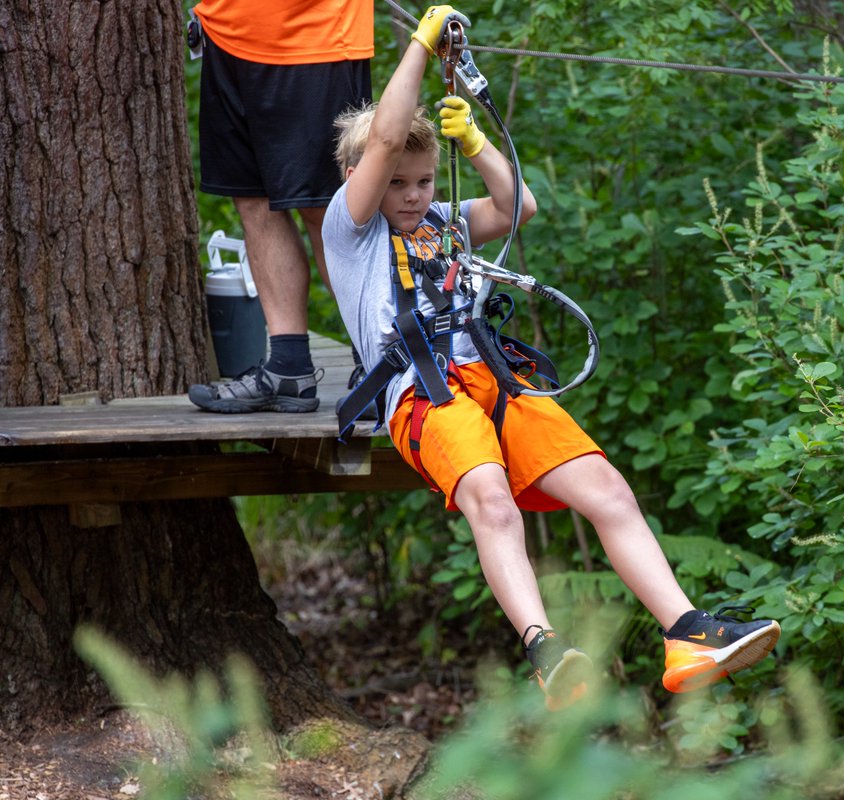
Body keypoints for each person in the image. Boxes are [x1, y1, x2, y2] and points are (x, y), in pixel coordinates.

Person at [322, 5, 781, 710]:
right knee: (493, 504)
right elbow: (386, 133)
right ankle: (545, 651)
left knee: (608, 490)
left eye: (422, 182)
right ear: (362, 176)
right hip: (423, 395)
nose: (414, 196)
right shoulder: (349, 230)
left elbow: (517, 206)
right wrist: (419, 44)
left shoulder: (444, 221)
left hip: (492, 380)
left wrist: (473, 142)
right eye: (398, 183)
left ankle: (688, 632)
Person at [186, 0, 373, 413]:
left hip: (315, 39)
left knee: (329, 207)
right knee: (255, 203)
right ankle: (288, 368)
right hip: (224, 33)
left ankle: (377, 367)